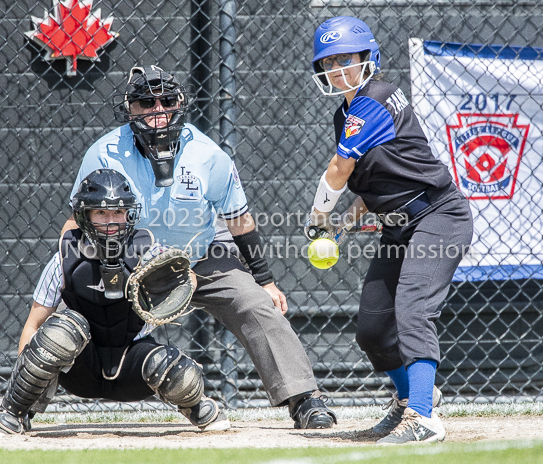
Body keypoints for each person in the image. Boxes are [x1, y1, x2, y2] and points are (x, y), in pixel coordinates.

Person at [61, 66, 337, 429]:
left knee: (255, 304)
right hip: (130, 266)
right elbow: (76, 221)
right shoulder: (104, 154)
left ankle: (305, 400)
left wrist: (266, 281)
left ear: (180, 104)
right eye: (146, 101)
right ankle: (22, 402)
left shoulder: (208, 154)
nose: (157, 108)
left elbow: (240, 221)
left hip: (202, 254)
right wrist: (69, 276)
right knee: (63, 324)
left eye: (167, 99)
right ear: (130, 107)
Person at [305, 16, 473, 444]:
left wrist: (318, 217)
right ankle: (407, 401)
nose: (338, 68)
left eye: (347, 58)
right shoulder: (347, 112)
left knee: (414, 308)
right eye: (329, 62)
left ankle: (423, 417)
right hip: (400, 228)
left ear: (368, 57)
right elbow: (374, 187)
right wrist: (342, 227)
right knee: (374, 330)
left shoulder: (374, 99)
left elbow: (339, 171)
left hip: (438, 217)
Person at [0, 169, 230, 436]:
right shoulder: (65, 259)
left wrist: (180, 283)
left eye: (118, 212)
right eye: (101, 213)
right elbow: (33, 326)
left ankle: (197, 406)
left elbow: (187, 278)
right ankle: (14, 412)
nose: (111, 222)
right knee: (62, 330)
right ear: (84, 216)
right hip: (80, 369)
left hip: (131, 366)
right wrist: (19, 387)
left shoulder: (148, 253)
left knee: (169, 364)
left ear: (129, 214)